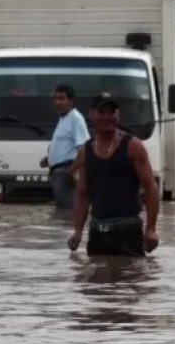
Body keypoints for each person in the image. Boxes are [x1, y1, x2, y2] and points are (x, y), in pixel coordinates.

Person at [67, 92, 160, 256]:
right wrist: (78, 231)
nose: (107, 117)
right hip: (97, 233)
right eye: (102, 112)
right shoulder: (85, 151)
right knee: (93, 277)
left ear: (118, 115)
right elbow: (82, 195)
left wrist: (150, 229)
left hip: (128, 232)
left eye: (111, 112)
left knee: (130, 279)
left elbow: (151, 187)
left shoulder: (133, 146)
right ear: (91, 115)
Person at [39, 85, 89, 209]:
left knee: (68, 211)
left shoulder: (76, 119)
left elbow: (83, 149)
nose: (58, 102)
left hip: (65, 173)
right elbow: (67, 147)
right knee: (62, 211)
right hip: (58, 173)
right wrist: (49, 159)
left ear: (71, 101)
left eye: (62, 98)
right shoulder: (63, 119)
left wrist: (70, 171)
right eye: (56, 98)